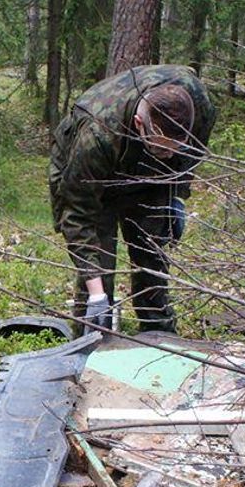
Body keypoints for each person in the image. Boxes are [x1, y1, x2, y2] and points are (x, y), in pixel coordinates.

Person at [49, 64, 216, 334]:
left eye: (174, 149)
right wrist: (96, 294)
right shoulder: (96, 134)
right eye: (160, 149)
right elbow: (78, 215)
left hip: (150, 179)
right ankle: (91, 339)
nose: (168, 155)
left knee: (152, 255)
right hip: (94, 180)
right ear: (140, 124)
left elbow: (187, 159)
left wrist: (178, 195)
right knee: (98, 268)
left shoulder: (200, 106)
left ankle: (158, 336)